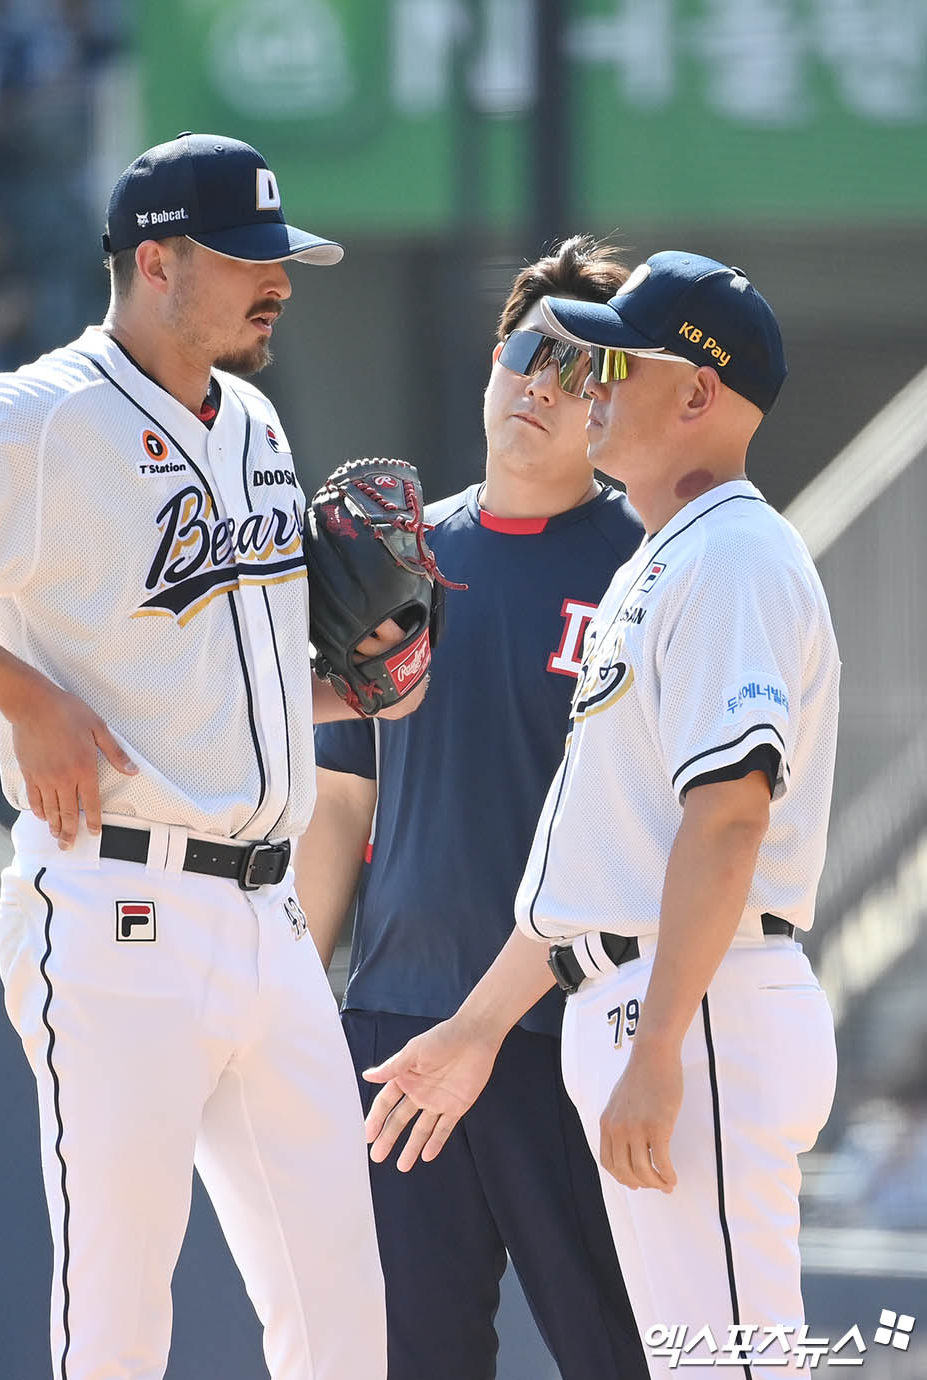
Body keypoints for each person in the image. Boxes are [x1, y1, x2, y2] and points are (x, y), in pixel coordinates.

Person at [0, 132, 405, 1380]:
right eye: (247, 260)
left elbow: (200, 652)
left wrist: (333, 683)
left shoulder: (258, 419)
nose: (276, 281)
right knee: (118, 1321)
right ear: (158, 262)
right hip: (120, 909)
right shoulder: (39, 416)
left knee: (340, 1317)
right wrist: (20, 695)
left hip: (270, 918)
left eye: (282, 258)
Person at [363, 251, 840, 1378]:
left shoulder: (731, 553)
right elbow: (600, 861)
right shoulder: (664, 561)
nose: (592, 381)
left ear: (694, 397)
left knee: (726, 1365)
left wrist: (665, 1043)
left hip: (698, 1005)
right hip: (640, 997)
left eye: (616, 359)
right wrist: (474, 1032)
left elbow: (729, 820)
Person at [295, 236, 650, 1380]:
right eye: (527, 351)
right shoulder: (394, 560)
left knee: (625, 1356)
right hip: (397, 1036)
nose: (541, 384)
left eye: (582, 367)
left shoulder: (650, 568)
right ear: (492, 359)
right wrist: (296, 1016)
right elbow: (340, 806)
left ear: (617, 399)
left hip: (575, 1038)